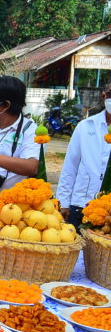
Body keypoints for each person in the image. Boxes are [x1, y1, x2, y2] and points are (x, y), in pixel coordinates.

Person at [57, 84, 111, 229]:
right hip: (81, 204)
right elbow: (70, 166)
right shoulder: (86, 126)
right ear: (104, 95)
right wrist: (63, 202)